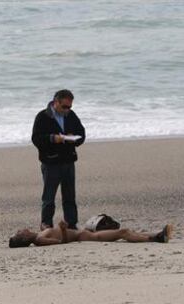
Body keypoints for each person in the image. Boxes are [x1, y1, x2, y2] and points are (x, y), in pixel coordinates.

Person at [31, 89, 85, 231]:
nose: (67, 110)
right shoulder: (43, 117)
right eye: (64, 106)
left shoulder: (71, 115)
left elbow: (82, 134)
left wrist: (73, 138)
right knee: (49, 197)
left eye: (69, 107)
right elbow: (36, 138)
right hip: (51, 162)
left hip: (68, 161)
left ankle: (71, 225)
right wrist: (52, 138)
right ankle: (46, 225)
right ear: (56, 102)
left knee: (70, 197)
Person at [9, 220, 173, 248]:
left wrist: (45, 226)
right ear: (23, 238)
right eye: (19, 233)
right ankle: (156, 238)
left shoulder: (39, 234)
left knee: (127, 231)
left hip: (82, 233)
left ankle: (157, 235)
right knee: (123, 232)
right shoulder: (40, 239)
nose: (20, 229)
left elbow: (53, 233)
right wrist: (64, 229)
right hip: (85, 236)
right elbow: (61, 242)